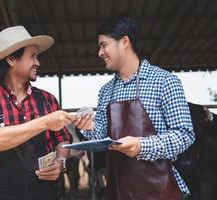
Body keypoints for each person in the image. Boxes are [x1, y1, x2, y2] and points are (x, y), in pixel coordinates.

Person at [75, 16, 195, 199]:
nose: (100, 52)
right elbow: (102, 138)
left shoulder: (164, 81)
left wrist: (142, 145)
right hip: (119, 190)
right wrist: (88, 127)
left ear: (124, 42)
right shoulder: (106, 91)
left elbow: (184, 134)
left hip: (160, 190)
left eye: (104, 45)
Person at [0, 26, 74, 200]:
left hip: (46, 192)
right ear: (11, 59)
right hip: (2, 193)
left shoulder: (48, 100)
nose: (37, 63)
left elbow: (62, 140)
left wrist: (60, 162)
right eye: (32, 56)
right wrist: (44, 122)